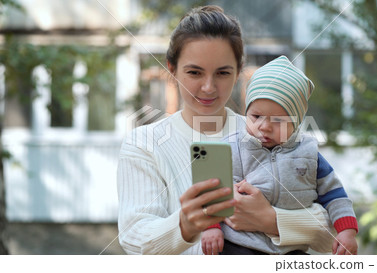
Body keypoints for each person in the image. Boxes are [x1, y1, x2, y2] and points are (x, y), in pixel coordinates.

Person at [117, 5, 335, 255]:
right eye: (194, 72)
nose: (208, 87)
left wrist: (270, 220)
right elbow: (134, 238)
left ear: (238, 72)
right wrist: (185, 226)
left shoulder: (267, 135)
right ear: (172, 69)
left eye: (222, 73)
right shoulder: (144, 143)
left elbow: (333, 233)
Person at [201, 56, 358, 255]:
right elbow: (211, 191)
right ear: (246, 112)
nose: (264, 127)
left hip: (291, 247)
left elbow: (335, 195)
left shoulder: (309, 154)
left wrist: (347, 231)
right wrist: (211, 228)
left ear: (297, 123)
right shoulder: (232, 148)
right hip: (239, 244)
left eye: (278, 120)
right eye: (256, 117)